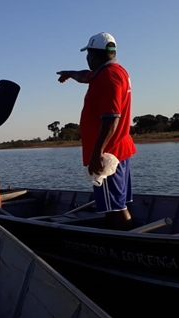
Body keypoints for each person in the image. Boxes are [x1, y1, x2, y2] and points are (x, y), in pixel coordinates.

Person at [57, 32, 137, 231]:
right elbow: (85, 76)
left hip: (109, 154)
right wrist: (70, 73)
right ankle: (117, 236)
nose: (87, 58)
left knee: (116, 208)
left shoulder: (109, 78)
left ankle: (127, 244)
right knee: (114, 205)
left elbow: (111, 119)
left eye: (88, 53)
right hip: (119, 148)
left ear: (94, 54)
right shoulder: (111, 72)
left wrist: (97, 154)